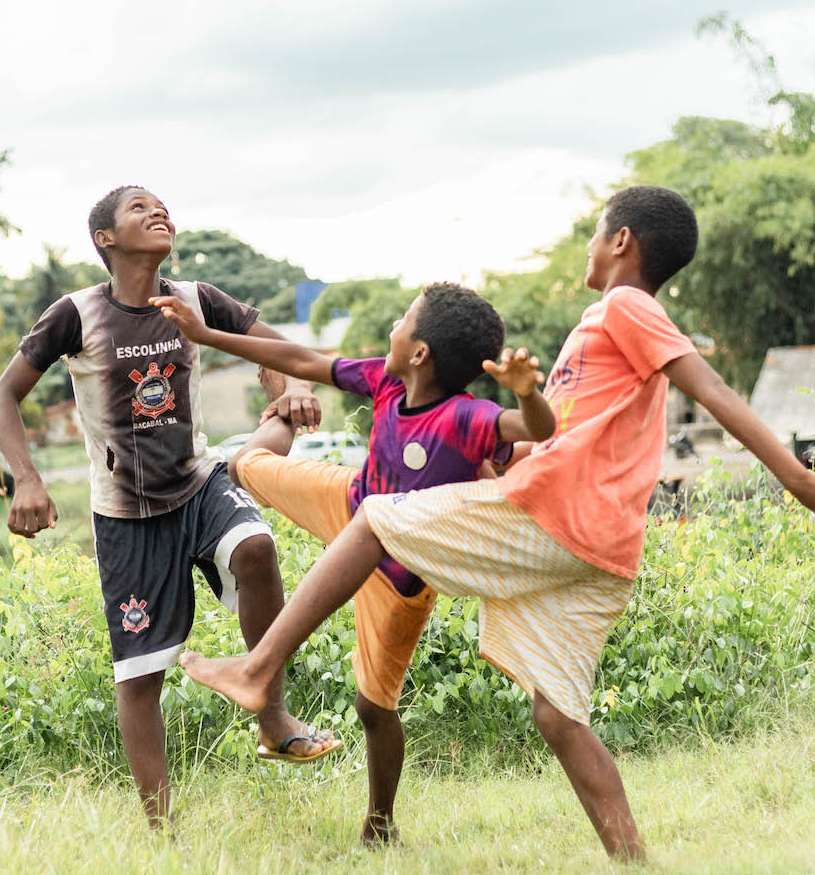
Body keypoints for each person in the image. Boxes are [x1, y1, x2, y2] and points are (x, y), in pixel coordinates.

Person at [177, 185, 815, 859]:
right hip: (603, 549)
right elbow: (557, 431)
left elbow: (710, 387)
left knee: (375, 520)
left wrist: (794, 476)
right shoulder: (599, 329)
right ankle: (634, 866)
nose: (588, 243)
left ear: (622, 241)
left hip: (554, 516)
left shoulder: (624, 308)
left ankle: (258, 666)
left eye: (593, 231)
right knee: (556, 715)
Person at [148, 280, 554, 843]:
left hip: (398, 575)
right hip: (347, 501)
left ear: (420, 352)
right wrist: (207, 334)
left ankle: (380, 823)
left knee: (373, 708)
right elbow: (300, 357)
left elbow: (536, 429)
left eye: (403, 320)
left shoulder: (469, 418)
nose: (393, 327)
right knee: (246, 465)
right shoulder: (384, 380)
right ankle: (283, 413)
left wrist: (528, 394)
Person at [0, 186, 338, 828]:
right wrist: (27, 479)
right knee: (141, 675)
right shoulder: (77, 314)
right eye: (138, 208)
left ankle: (272, 712)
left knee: (256, 547)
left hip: (197, 481)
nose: (158, 212)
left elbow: (280, 351)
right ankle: (159, 826)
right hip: (126, 514)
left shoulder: (197, 300)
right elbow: (2, 397)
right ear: (106, 239)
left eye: (162, 205)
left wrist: (285, 393)